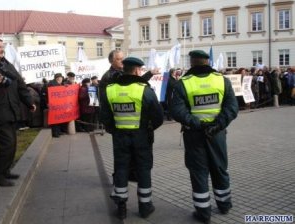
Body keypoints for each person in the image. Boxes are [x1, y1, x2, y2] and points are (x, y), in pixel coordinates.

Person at [171, 50, 238, 224]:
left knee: (199, 172)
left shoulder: (183, 83)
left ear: (192, 63)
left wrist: (198, 125)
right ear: (208, 62)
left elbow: (177, 111)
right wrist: (217, 125)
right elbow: (232, 108)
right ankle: (224, 204)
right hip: (217, 134)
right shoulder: (222, 80)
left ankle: (203, 212)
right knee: (220, 168)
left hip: (194, 135)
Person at [100, 57, 163, 220]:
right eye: (140, 70)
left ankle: (121, 206)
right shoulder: (144, 89)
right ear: (136, 70)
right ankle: (145, 206)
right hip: (141, 137)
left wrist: (114, 130)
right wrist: (148, 128)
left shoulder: (111, 89)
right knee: (143, 169)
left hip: (120, 137)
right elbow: (158, 116)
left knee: (121, 169)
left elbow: (104, 116)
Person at [0, 37, 36, 187]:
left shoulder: (7, 65)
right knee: (7, 144)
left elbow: (20, 84)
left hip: (12, 110)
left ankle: (5, 171)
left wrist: (29, 102)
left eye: (2, 46)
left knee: (12, 144)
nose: (2, 49)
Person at [47, 73, 64, 137]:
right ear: (58, 78)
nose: (62, 79)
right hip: (53, 104)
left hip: (57, 104)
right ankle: (55, 133)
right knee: (55, 119)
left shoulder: (58, 84)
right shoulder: (51, 85)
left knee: (58, 118)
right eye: (61, 78)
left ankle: (58, 131)